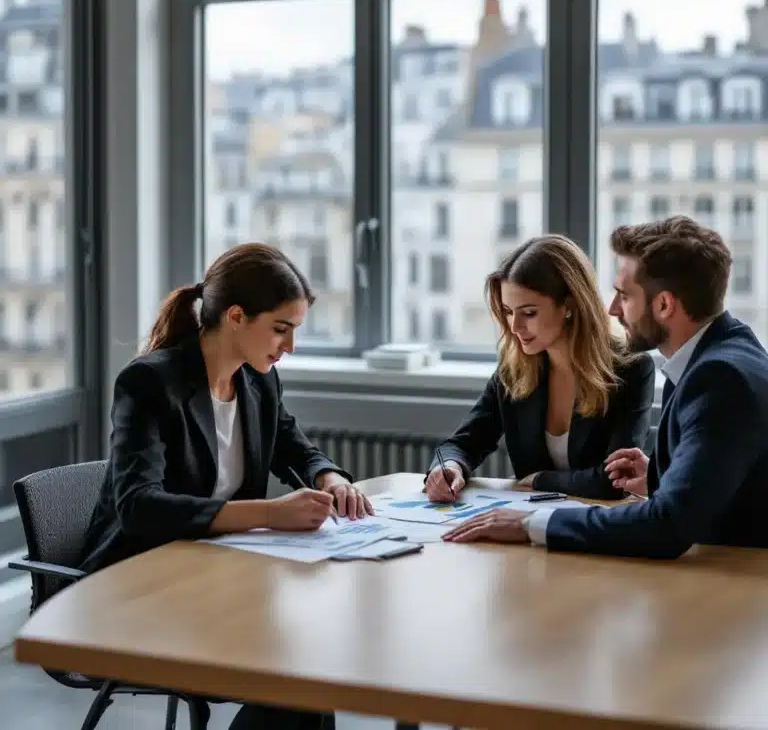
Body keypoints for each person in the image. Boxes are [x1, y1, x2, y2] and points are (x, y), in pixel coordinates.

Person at [79, 243, 373, 730]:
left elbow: (293, 445)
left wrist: (330, 476)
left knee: (311, 668)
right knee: (297, 679)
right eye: (281, 329)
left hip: (218, 577)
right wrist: (270, 513)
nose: (289, 347)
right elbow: (138, 507)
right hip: (137, 586)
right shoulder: (149, 382)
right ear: (235, 316)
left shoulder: (258, 382)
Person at [443, 216, 768, 559]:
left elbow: (666, 526)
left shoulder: (718, 378)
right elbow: (718, 487)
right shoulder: (719, 356)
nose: (612, 309)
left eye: (624, 295)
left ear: (663, 305)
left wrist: (531, 524)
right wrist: (659, 479)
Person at [425, 234, 656, 503]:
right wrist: (449, 466)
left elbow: (614, 480)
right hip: (528, 527)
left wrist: (540, 479)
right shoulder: (514, 369)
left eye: (529, 313)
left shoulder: (632, 369)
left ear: (569, 306)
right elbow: (461, 443)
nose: (514, 327)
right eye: (509, 311)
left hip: (600, 528)